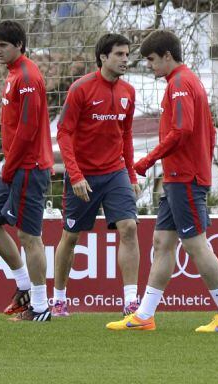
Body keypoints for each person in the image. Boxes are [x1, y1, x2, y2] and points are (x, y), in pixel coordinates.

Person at [106, 30, 218, 332]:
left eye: (152, 60)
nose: (150, 66)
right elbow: (209, 133)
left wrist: (147, 160)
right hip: (179, 177)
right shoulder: (183, 81)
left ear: (167, 56)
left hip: (185, 178)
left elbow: (182, 130)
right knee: (162, 243)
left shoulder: (181, 83)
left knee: (195, 244)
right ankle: (144, 316)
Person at [52, 33, 140, 317]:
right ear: (103, 57)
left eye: (127, 54)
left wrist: (132, 175)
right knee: (71, 236)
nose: (125, 59)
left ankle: (130, 302)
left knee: (129, 228)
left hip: (115, 173)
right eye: (119, 54)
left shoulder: (129, 92)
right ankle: (60, 298)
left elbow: (126, 136)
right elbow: (63, 133)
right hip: (83, 175)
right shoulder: (81, 89)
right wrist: (75, 175)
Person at [0, 20, 54, 321]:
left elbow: (28, 129)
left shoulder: (28, 76)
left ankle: (40, 306)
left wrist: (9, 168)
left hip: (28, 166)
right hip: (14, 165)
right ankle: (24, 287)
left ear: (20, 45)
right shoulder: (13, 74)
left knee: (29, 236)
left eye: (3, 45)